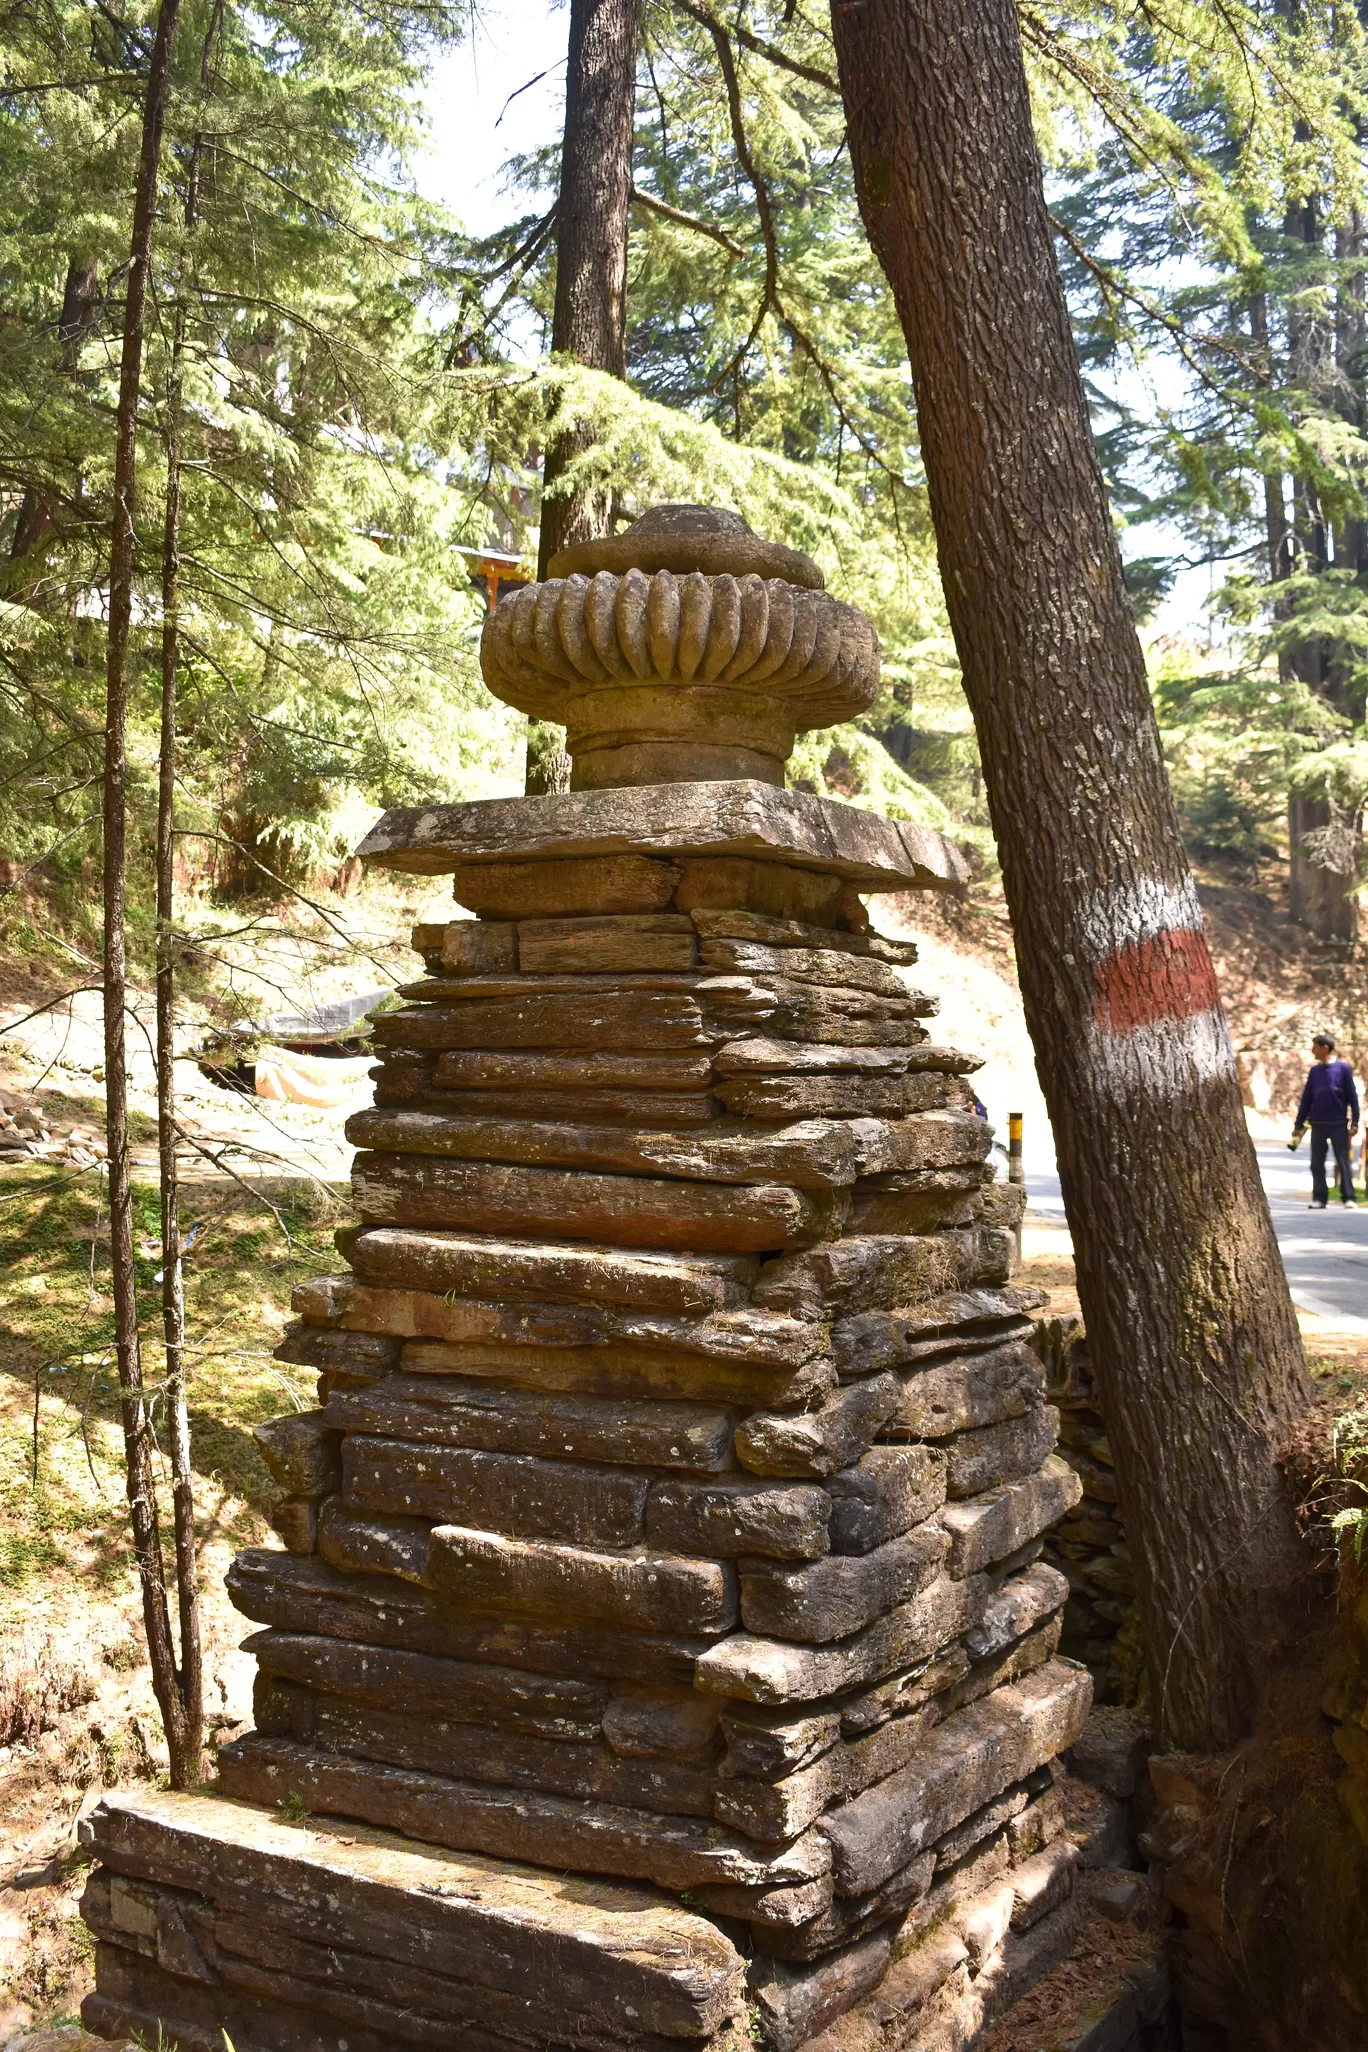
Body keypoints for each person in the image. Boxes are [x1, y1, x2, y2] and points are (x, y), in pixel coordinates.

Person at [1292, 1034, 1360, 1209]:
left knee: (1343, 1161)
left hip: (1338, 1123)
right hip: (1317, 1124)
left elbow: (1352, 1097)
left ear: (1325, 1048)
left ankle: (1349, 1198)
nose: (1312, 1050)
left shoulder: (1343, 1069)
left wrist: (1355, 1122)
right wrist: (1298, 1126)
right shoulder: (1315, 1071)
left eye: (1315, 1047)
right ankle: (1320, 1198)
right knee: (1316, 1163)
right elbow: (1306, 1099)